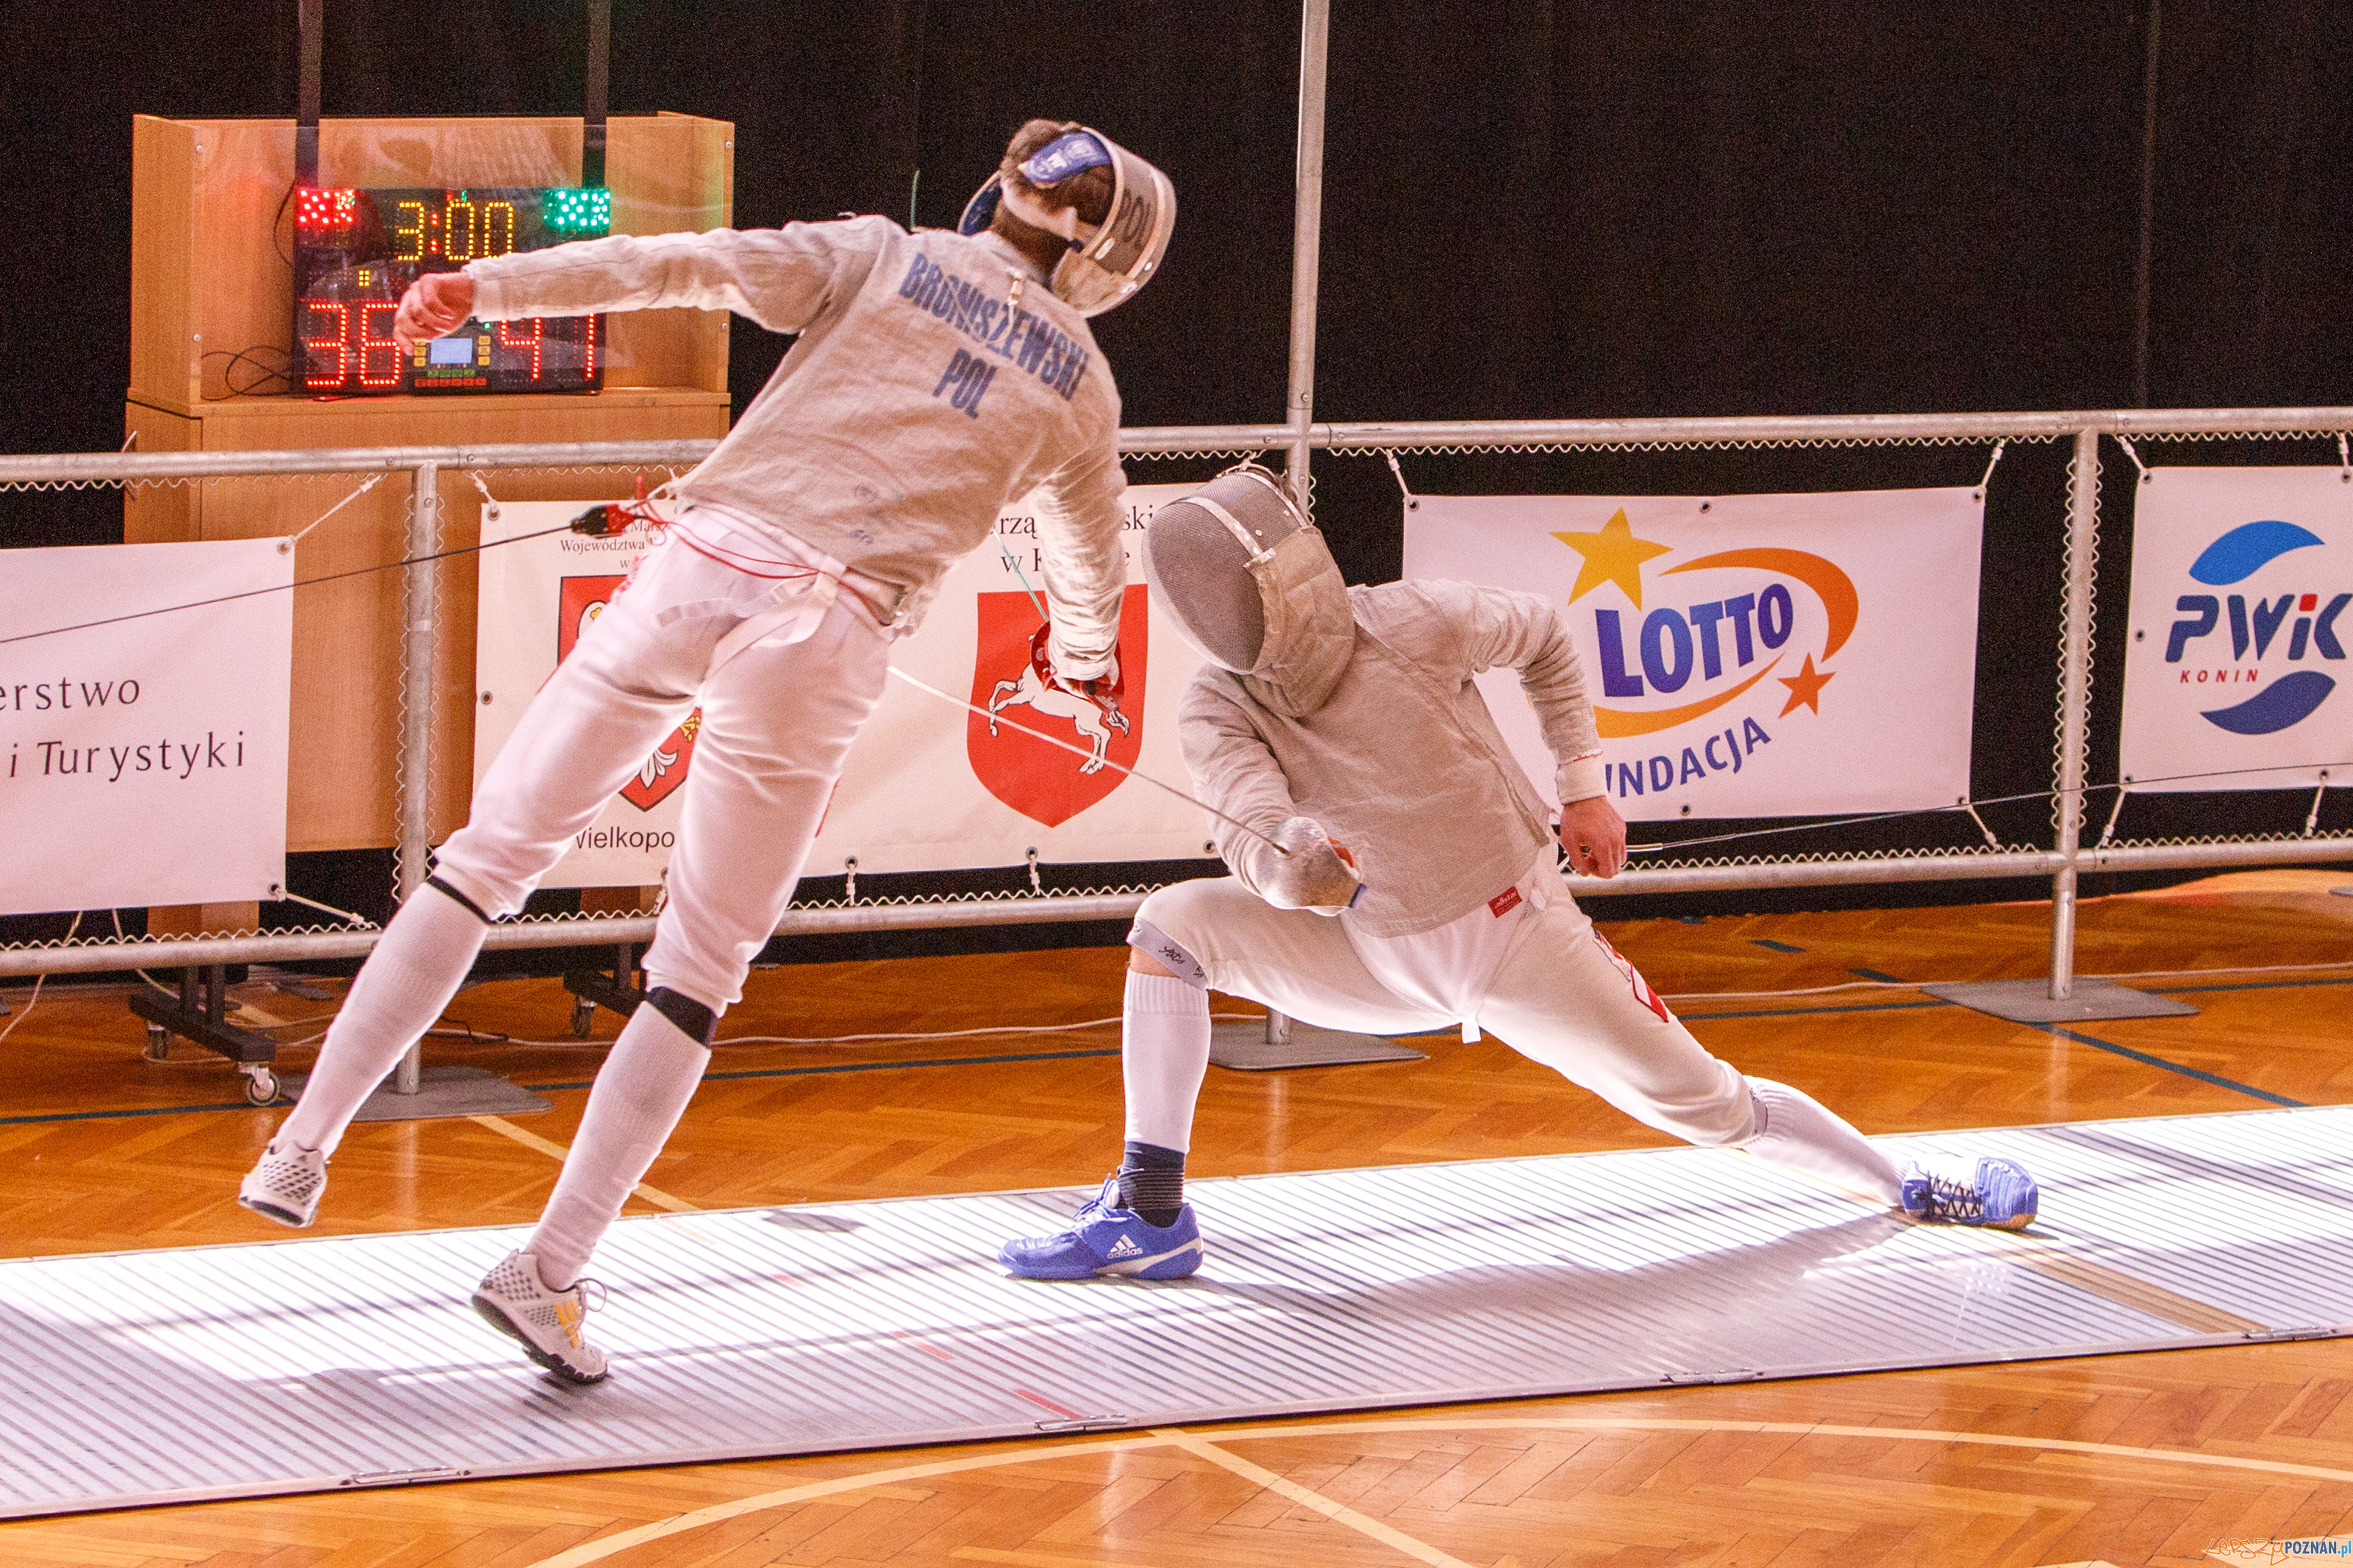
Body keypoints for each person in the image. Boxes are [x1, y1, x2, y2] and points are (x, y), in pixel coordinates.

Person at [239, 120, 1176, 1383]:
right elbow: (1089, 563)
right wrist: (1077, 665)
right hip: (827, 633)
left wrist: (487, 288)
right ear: (1109, 262)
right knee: (695, 974)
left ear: (996, 196)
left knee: (482, 862)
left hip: (697, 568)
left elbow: (680, 262)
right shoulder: (1082, 388)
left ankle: (302, 1141)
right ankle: (549, 1270)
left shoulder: (878, 255)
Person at [999, 465, 2038, 1282]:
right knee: (1172, 925)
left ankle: (1914, 1185)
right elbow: (1251, 827)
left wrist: (1583, 783)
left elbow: (1545, 634)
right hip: (1374, 956)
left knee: (1711, 1105)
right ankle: (1150, 1207)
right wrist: (1289, 872)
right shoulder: (1222, 703)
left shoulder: (1410, 620)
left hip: (1517, 940)